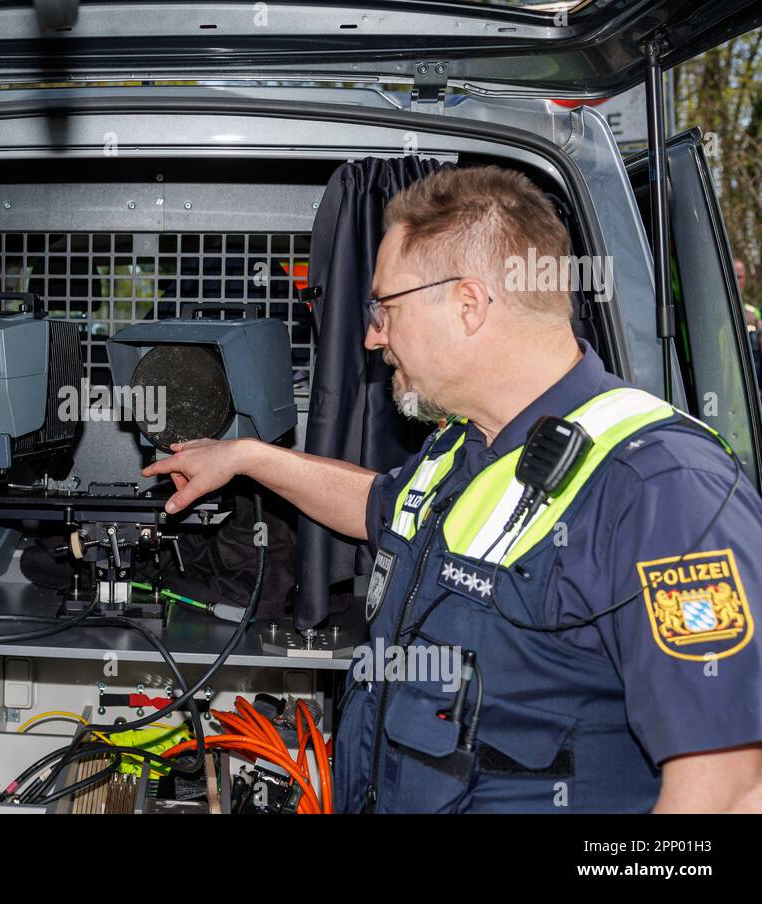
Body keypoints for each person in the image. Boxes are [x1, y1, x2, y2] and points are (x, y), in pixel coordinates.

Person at [144, 166, 762, 813]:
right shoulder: (462, 448)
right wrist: (247, 457)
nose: (371, 336)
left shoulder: (661, 489)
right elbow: (376, 504)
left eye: (386, 308)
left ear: (469, 305)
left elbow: (729, 790)